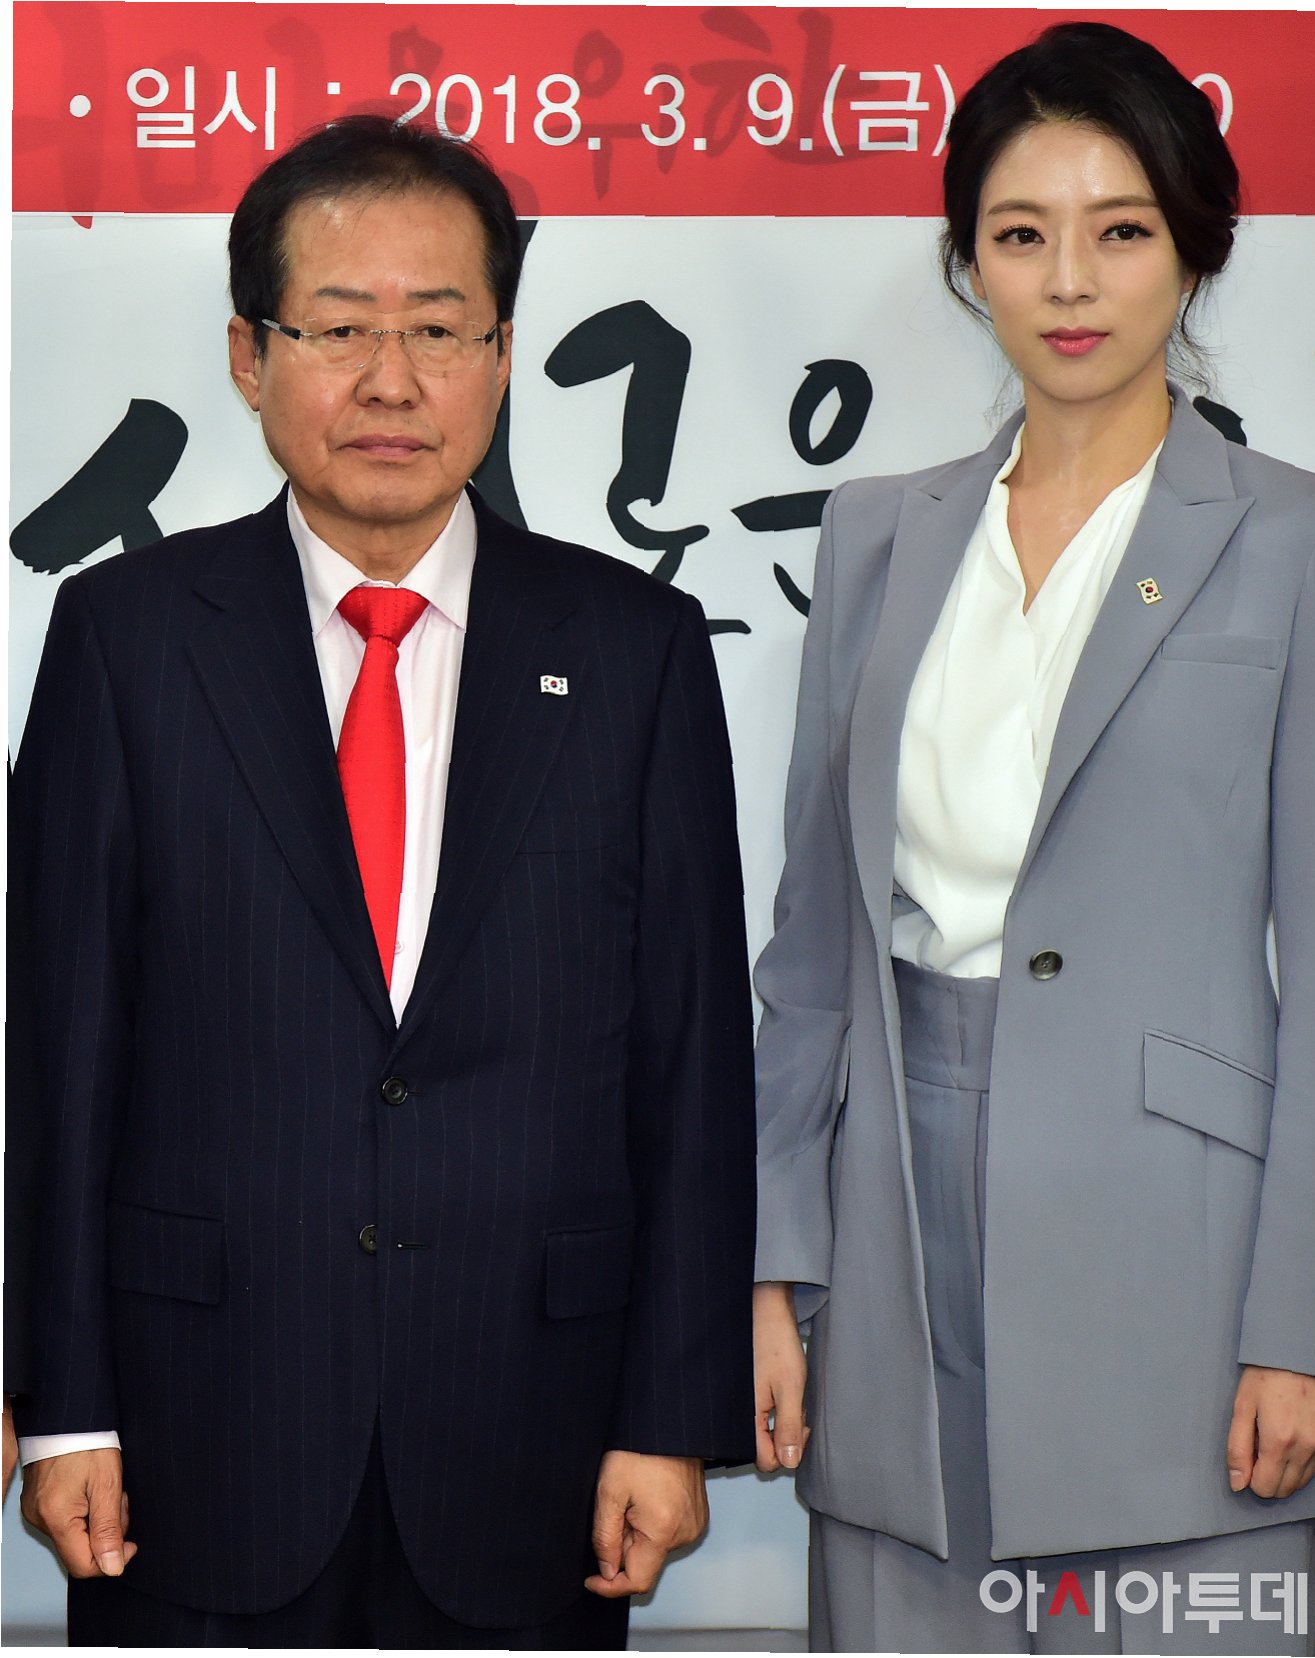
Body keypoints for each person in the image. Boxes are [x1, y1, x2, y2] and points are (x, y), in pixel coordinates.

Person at [10, 114, 757, 1648]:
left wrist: (670, 1416)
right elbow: (59, 1054)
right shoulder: (126, 638)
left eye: (439, 329)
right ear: (250, 354)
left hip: (539, 1439)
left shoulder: (635, 650)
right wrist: (66, 1405)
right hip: (194, 1431)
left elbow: (691, 1065)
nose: (391, 381)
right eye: (340, 327)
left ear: (502, 355)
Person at [751, 22, 1315, 1655]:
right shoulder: (875, 535)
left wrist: (1307, 1323)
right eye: (1019, 233)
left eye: (1119, 230)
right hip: (890, 1239)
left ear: (1194, 247)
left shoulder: (1314, 539)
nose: (1068, 281)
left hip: (1181, 1268)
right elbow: (813, 950)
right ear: (966, 259)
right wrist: (774, 1262)